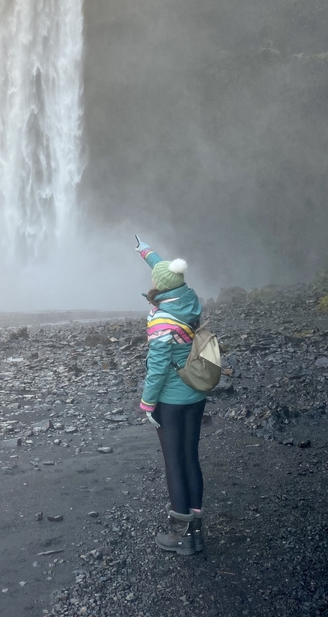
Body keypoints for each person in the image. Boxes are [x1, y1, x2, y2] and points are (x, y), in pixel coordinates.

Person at [135, 236, 207, 555]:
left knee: (173, 463)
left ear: (160, 288)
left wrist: (147, 403)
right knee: (190, 458)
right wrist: (146, 251)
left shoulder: (163, 320)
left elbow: (158, 367)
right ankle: (197, 532)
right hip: (195, 394)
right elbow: (165, 270)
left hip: (172, 402)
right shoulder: (189, 299)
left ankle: (181, 537)